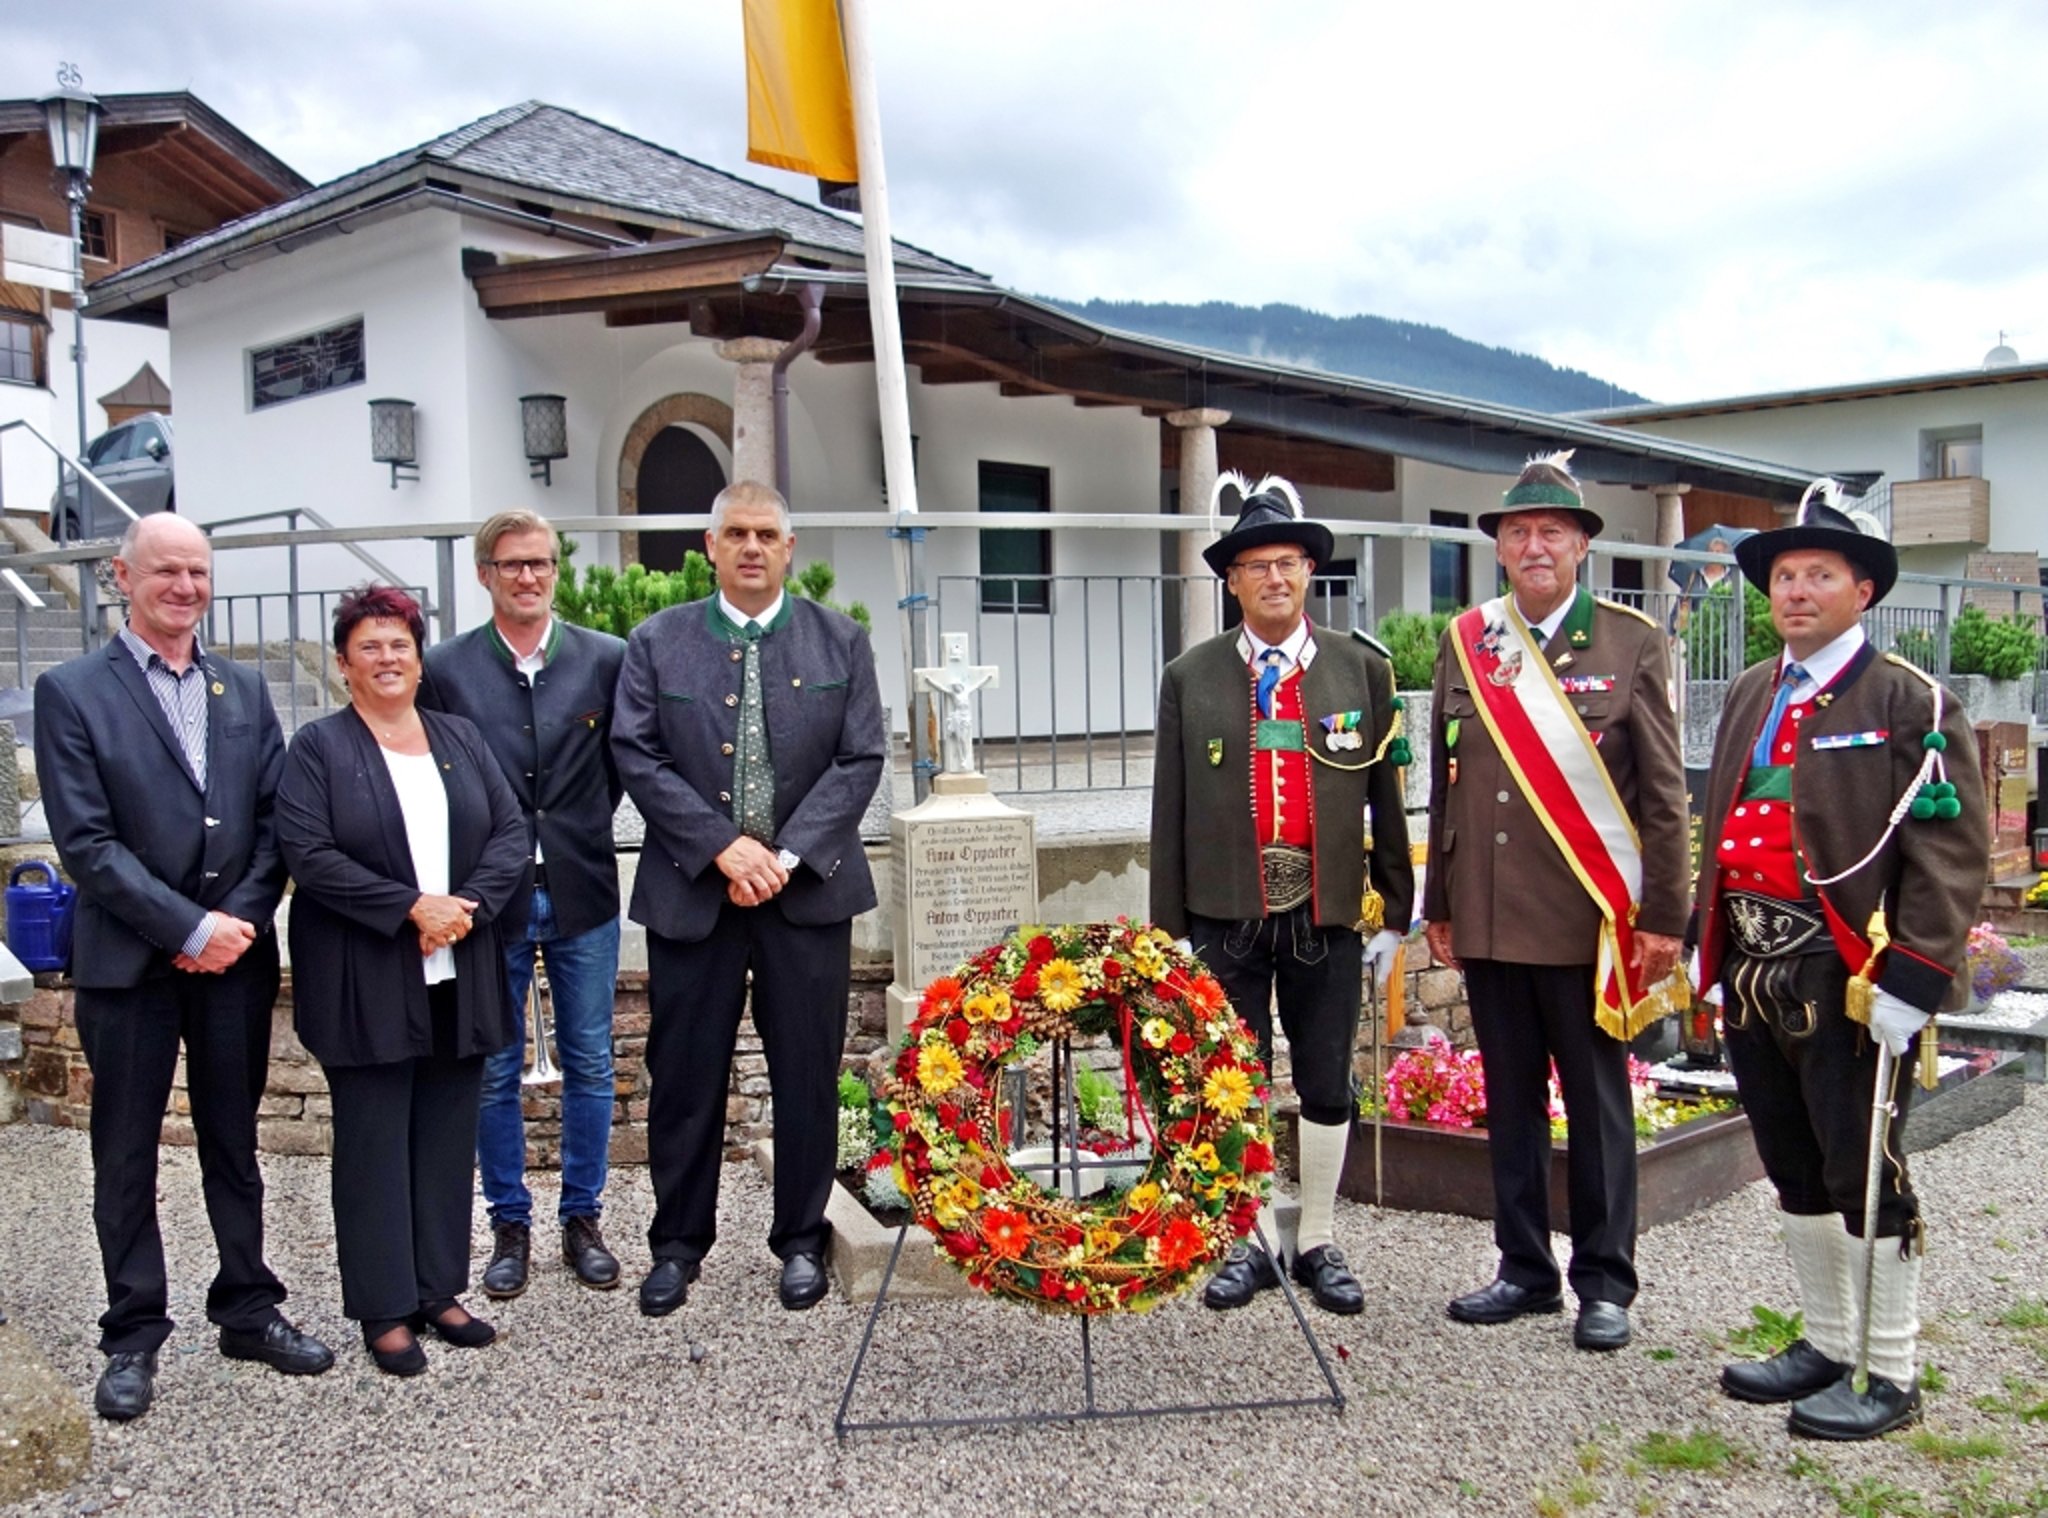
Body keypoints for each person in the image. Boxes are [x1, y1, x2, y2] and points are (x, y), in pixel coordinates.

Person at [1698, 482, 1985, 1440]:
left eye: (1820, 573)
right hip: (1750, 962)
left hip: (1847, 973)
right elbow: (1722, 826)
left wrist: (1915, 975)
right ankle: (1826, 1341)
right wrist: (1708, 950)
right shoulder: (1748, 690)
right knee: (1794, 1162)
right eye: (1784, 576)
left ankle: (1891, 1370)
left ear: (1863, 590)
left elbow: (1950, 852)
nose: (1797, 591)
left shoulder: (1909, 700)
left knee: (1867, 1163)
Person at [34, 514, 333, 1421]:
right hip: (130, 963)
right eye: (166, 571)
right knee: (124, 1151)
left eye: (198, 572)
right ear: (123, 577)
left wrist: (234, 923)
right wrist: (185, 928)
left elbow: (277, 818)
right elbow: (86, 842)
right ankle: (132, 1333)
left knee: (232, 1145)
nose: (185, 586)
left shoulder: (241, 687)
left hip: (233, 964)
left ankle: (248, 1306)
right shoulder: (73, 690)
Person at [1423, 450, 1689, 1353]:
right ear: (1499, 549)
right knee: (1510, 1102)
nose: (1533, 547)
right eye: (1517, 533)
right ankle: (1525, 1269)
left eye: (1552, 533)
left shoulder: (1629, 643)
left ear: (1581, 546)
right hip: (1491, 915)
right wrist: (1440, 904)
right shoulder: (1468, 640)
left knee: (1597, 1103)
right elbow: (1447, 784)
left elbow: (1664, 796)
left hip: (1588, 921)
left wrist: (1665, 918)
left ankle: (1605, 1281)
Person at [612, 480, 885, 1315]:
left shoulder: (842, 641)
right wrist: (722, 846)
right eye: (736, 533)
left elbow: (861, 759)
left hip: (808, 898)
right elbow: (638, 753)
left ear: (790, 547)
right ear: (711, 547)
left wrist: (788, 854)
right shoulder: (658, 643)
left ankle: (800, 1241)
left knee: (806, 1075)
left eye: (768, 533)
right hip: (695, 895)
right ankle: (677, 1246)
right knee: (685, 1073)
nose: (753, 547)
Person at [1149, 471, 1414, 1315]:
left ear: (1310, 573)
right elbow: (1170, 809)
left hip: (1328, 911)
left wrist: (1394, 911)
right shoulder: (1190, 677)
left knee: (1329, 1078)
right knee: (1237, 1076)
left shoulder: (1359, 671)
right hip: (1226, 914)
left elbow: (1385, 797)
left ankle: (1320, 1237)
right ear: (1231, 580)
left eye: (1290, 563)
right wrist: (1170, 929)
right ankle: (1253, 1238)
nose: (1275, 578)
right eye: (1257, 565)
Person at [276, 585, 529, 1375]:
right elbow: (311, 857)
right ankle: (383, 1307)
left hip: (460, 966)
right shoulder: (318, 749)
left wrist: (465, 909)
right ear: (345, 665)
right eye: (369, 647)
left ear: (420, 659)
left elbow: (511, 831)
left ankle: (437, 1289)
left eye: (400, 645)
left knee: (448, 1134)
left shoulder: (459, 737)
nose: (388, 659)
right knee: (375, 1141)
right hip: (366, 974)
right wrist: (411, 908)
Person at [422, 511, 627, 1299]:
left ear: (556, 570)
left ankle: (583, 1217)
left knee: (591, 1060)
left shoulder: (604, 659)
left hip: (582, 886)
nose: (528, 577)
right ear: (485, 575)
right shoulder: (446, 668)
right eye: (511, 565)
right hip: (488, 898)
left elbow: (616, 767)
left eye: (540, 563)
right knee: (492, 1066)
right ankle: (509, 1223)